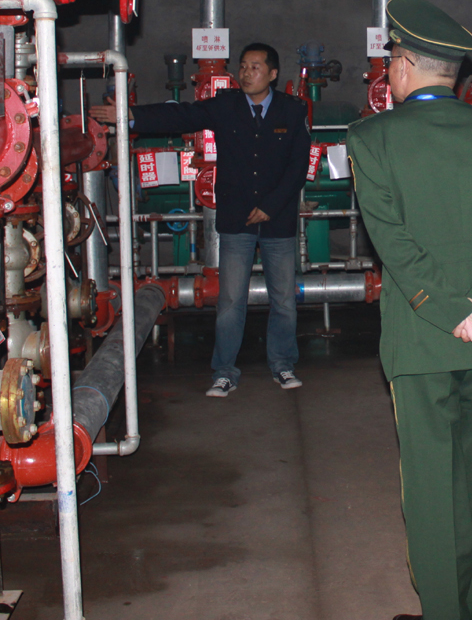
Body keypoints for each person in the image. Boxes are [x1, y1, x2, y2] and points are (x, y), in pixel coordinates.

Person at [346, 0, 472, 620]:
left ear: (403, 66)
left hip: (423, 332)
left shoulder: (371, 137)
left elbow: (392, 242)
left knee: (431, 481)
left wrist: (452, 309)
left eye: (391, 61)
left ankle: (443, 607)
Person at [91, 43, 310, 397]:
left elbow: (298, 166)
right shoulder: (226, 106)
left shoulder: (292, 110)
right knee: (230, 302)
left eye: (255, 67)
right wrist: (130, 115)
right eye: (243, 66)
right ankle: (224, 372)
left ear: (272, 74)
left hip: (277, 220)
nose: (246, 73)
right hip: (237, 220)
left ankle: (283, 364)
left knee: (284, 300)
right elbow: (182, 115)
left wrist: (271, 205)